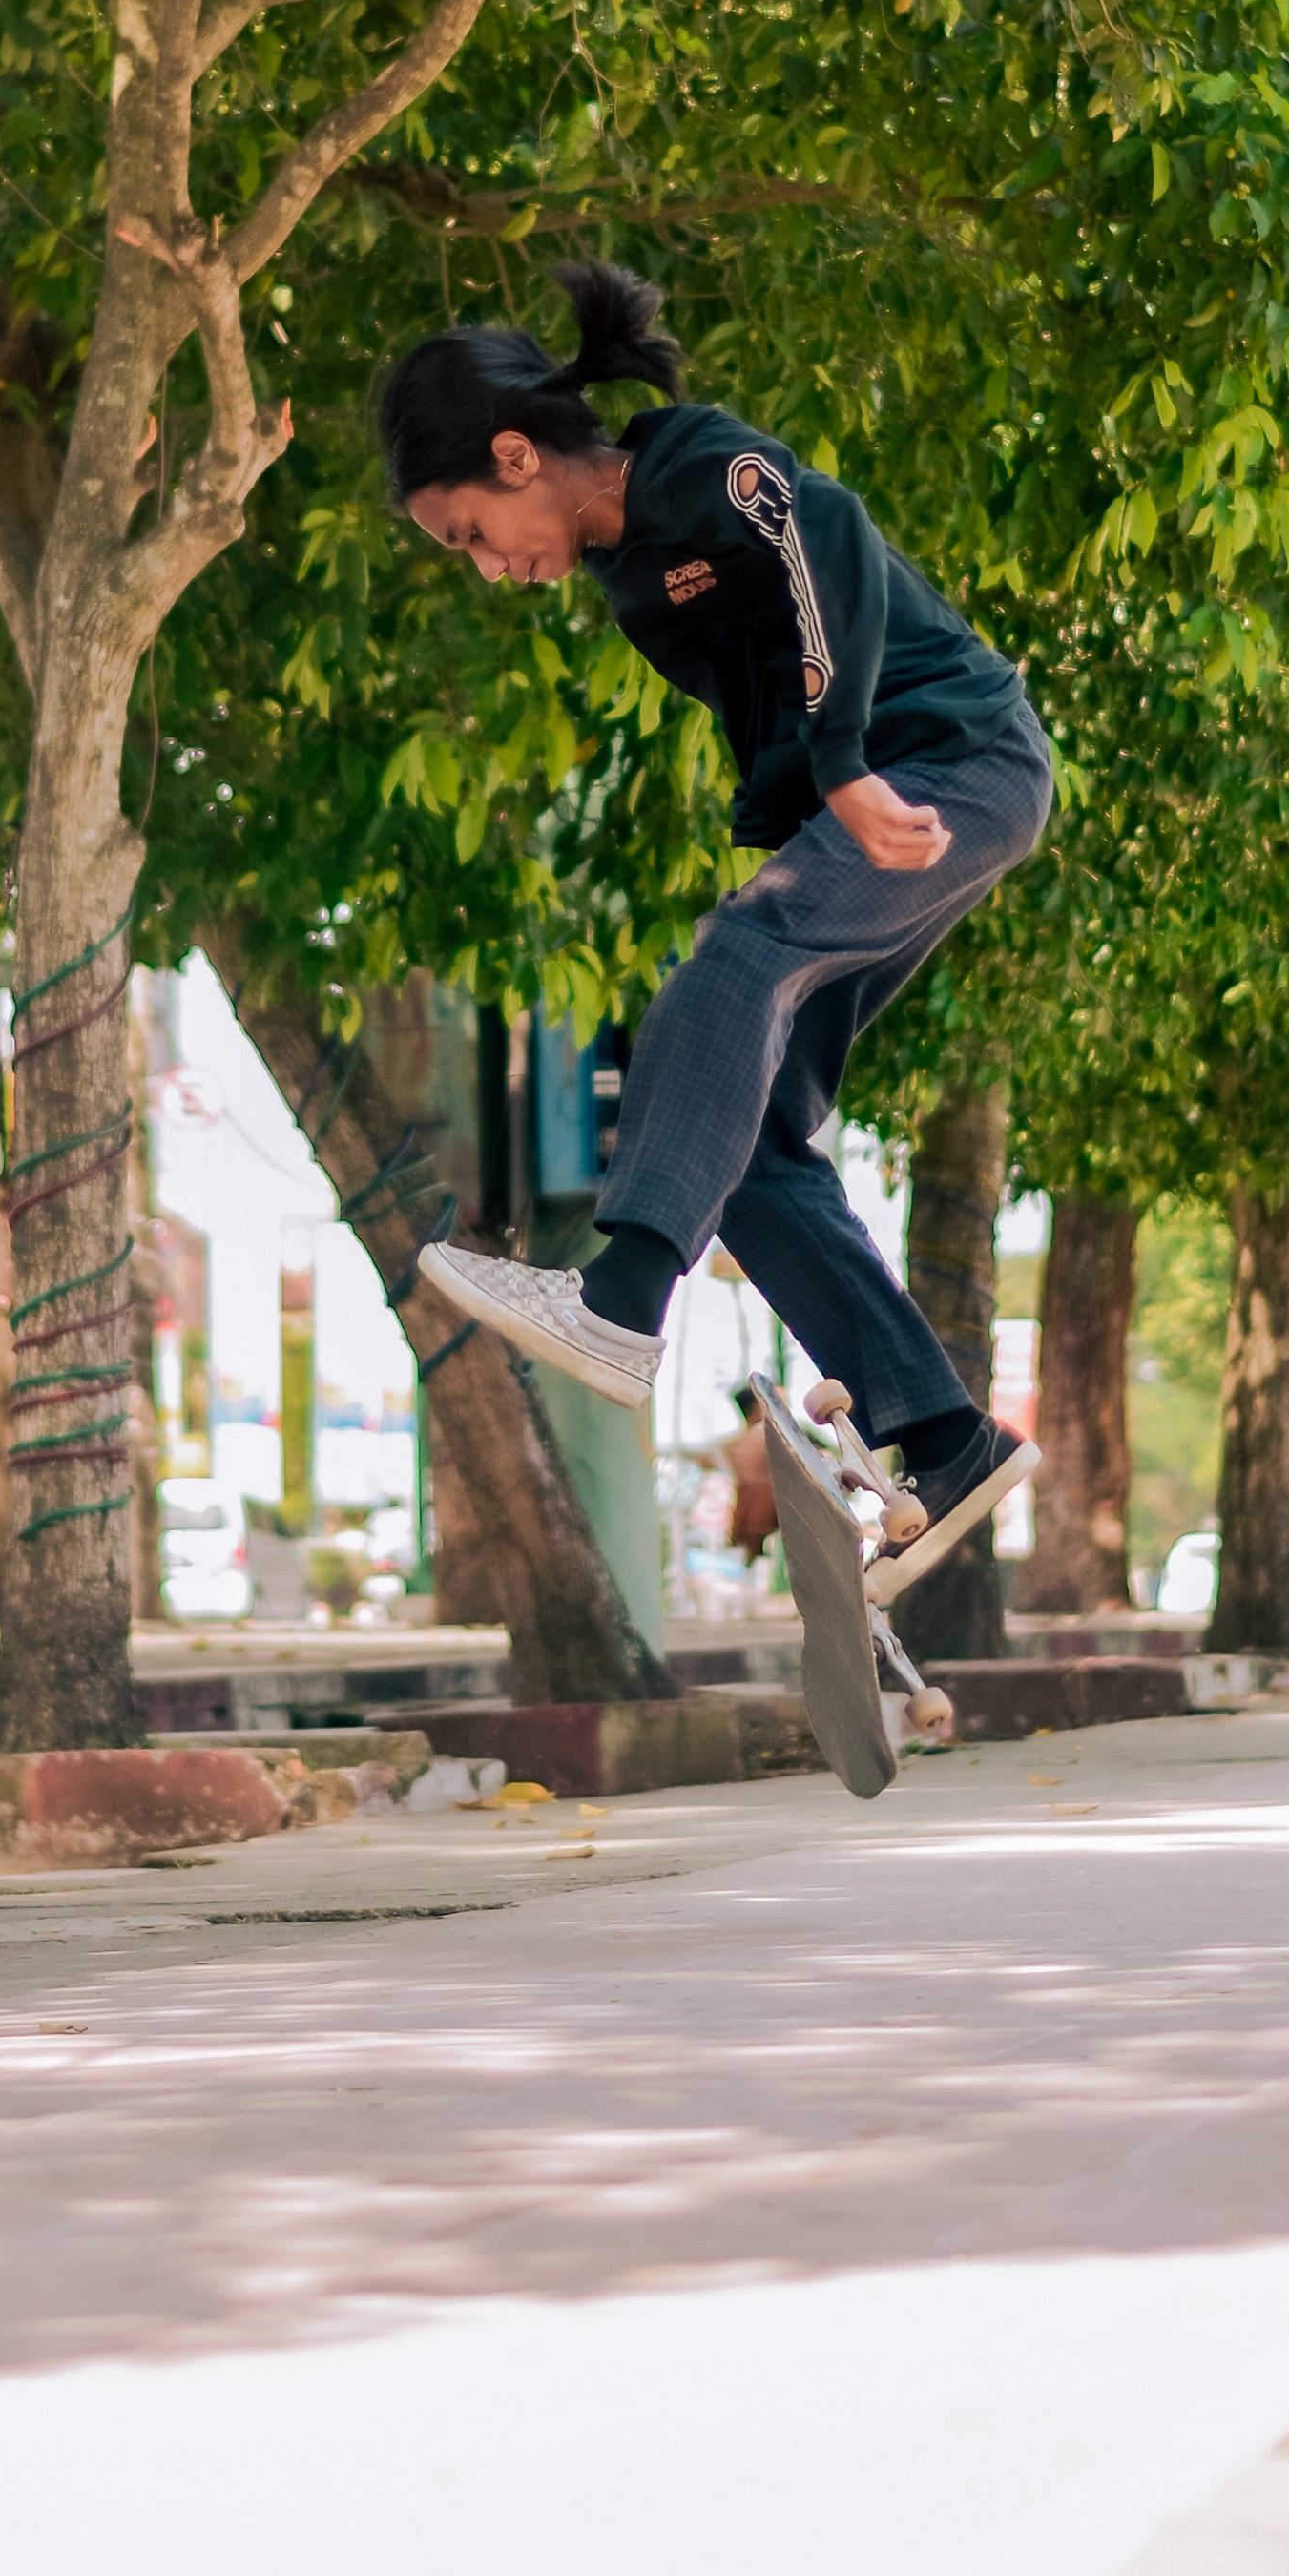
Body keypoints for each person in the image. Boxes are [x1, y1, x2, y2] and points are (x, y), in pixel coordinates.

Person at [386, 259, 1050, 1592]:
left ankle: (620, 1302)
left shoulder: (691, 467)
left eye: (468, 530)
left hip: (950, 762)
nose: (485, 568)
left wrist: (846, 762)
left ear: (518, 454)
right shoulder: (633, 574)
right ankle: (940, 1432)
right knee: (741, 1136)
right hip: (884, 802)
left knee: (737, 956)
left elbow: (831, 537)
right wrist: (807, 797)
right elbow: (764, 685)